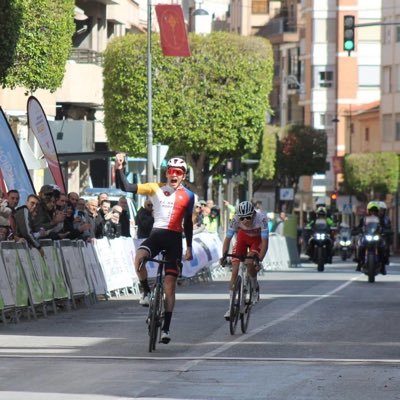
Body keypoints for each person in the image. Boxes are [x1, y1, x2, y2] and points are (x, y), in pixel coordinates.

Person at [115, 153, 194, 344]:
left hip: (175, 239)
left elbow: (188, 224)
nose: (174, 175)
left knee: (169, 286)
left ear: (183, 175)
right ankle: (145, 291)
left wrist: (189, 246)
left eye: (178, 172)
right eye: (171, 171)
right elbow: (126, 187)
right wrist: (119, 167)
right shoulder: (154, 188)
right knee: (139, 257)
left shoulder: (189, 196)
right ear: (167, 173)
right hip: (156, 235)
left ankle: (166, 328)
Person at [220, 201, 269, 320]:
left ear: (253, 214)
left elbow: (265, 243)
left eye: (248, 217)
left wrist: (259, 260)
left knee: (249, 262)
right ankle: (231, 306)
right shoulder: (235, 219)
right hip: (242, 238)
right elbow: (227, 239)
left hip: (256, 241)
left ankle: (253, 285)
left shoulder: (261, 219)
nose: (245, 220)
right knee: (234, 270)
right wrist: (224, 256)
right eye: (242, 218)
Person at [354, 201, 386, 274]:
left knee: (383, 245)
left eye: (375, 211)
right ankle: (359, 262)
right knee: (359, 244)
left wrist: (386, 230)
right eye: (371, 210)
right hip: (366, 236)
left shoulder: (380, 219)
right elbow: (359, 227)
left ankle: (383, 266)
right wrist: (356, 230)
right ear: (368, 211)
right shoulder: (364, 219)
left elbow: (384, 227)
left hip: (376, 236)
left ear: (377, 211)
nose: (373, 212)